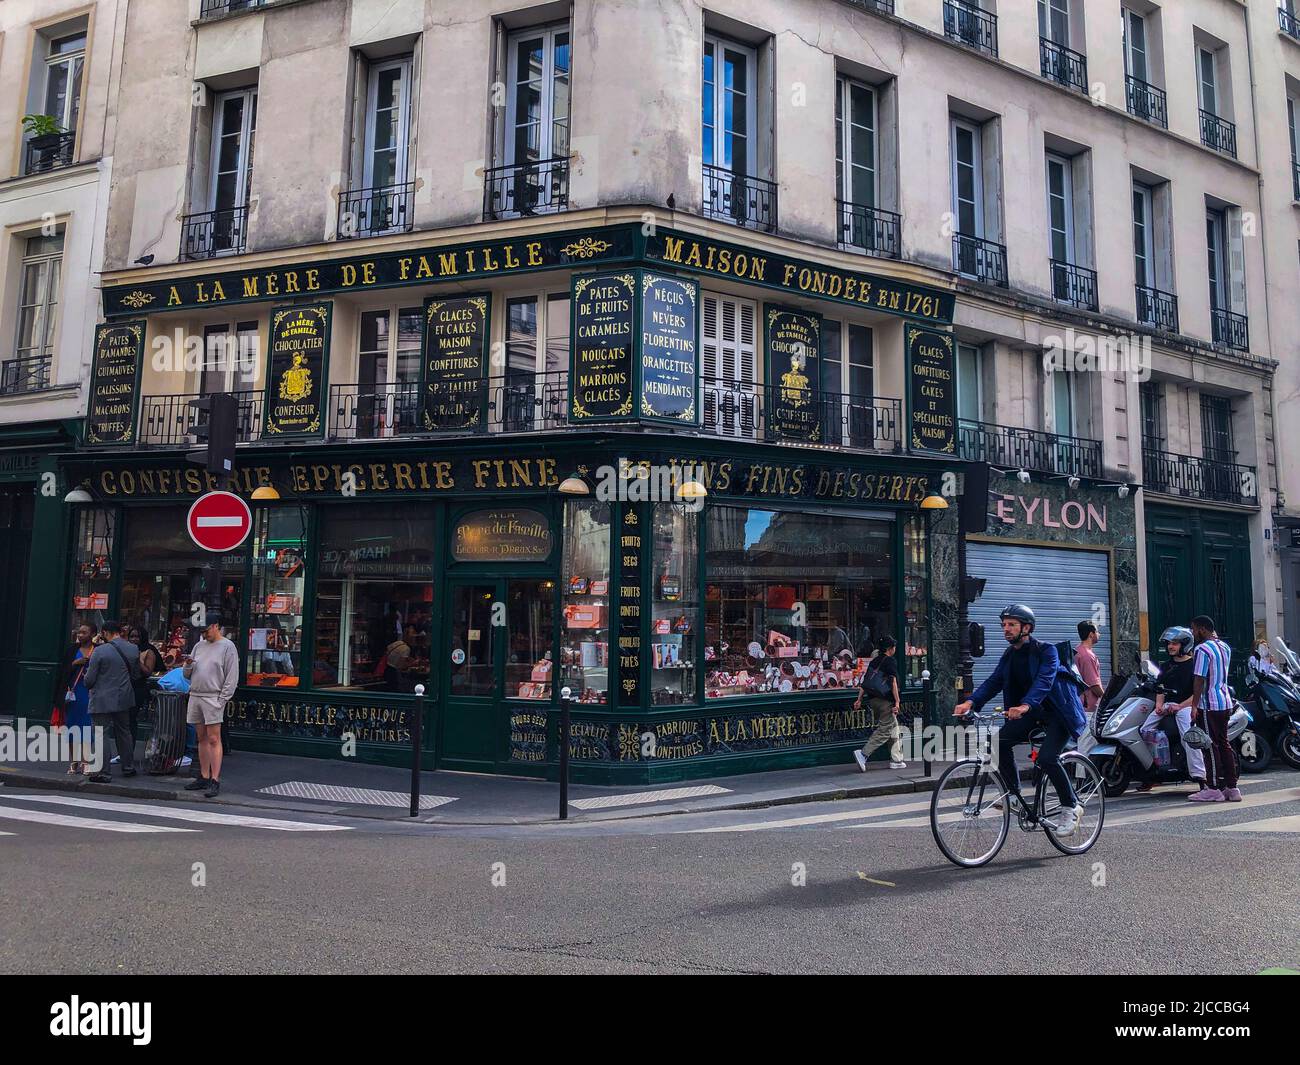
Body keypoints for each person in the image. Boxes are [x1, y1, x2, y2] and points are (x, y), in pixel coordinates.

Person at [955, 604, 1087, 835]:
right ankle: (1013, 795)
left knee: (1047, 758)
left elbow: (1045, 681)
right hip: (1032, 715)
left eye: (1011, 625)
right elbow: (994, 682)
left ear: (1026, 627)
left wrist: (1026, 704)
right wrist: (971, 702)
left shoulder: (1046, 651)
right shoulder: (1010, 655)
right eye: (1004, 625)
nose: (1006, 629)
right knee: (998, 742)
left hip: (1058, 714)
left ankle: (1071, 806)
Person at [1179, 615, 1239, 803]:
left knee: (1209, 745)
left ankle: (1213, 788)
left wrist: (1194, 704)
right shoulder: (1225, 647)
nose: (1193, 633)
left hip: (1209, 704)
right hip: (1225, 702)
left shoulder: (1202, 649)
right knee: (1224, 743)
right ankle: (1232, 787)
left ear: (1202, 629)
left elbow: (1199, 679)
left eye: (1194, 629)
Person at [1137, 626, 1204, 792]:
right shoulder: (1166, 666)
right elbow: (1160, 688)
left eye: (1175, 643)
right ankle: (1153, 773)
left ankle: (1200, 775)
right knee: (1144, 731)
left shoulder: (1194, 665)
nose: (1170, 647)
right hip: (1167, 705)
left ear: (1185, 644)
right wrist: (1159, 705)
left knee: (1188, 736)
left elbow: (1198, 693)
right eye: (1169, 644)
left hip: (1185, 707)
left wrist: (1180, 706)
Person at [183, 617, 240, 798]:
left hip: (212, 696)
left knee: (214, 738)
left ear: (216, 627)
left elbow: (232, 676)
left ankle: (215, 779)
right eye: (202, 632)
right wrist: (188, 665)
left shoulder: (227, 647)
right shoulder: (199, 646)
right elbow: (187, 674)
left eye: (206, 630)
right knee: (201, 737)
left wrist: (222, 699)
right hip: (197, 694)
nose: (204, 634)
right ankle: (204, 775)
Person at [83, 619, 141, 782]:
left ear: (105, 633)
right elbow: (136, 674)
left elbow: (89, 680)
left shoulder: (99, 651)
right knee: (124, 732)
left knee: (101, 734)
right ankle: (128, 767)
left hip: (102, 698)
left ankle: (103, 772)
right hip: (123, 696)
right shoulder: (133, 648)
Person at [853, 635, 905, 771]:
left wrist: (859, 699)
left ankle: (896, 759)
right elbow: (893, 682)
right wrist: (897, 702)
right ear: (890, 648)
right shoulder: (890, 661)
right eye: (893, 646)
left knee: (894, 728)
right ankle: (863, 754)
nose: (895, 648)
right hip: (885, 701)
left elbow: (865, 683)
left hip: (873, 700)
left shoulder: (874, 661)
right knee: (885, 730)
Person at [64, 624, 96, 775]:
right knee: (72, 727)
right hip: (74, 692)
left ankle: (86, 761)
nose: (80, 634)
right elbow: (63, 670)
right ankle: (74, 760)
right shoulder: (72, 649)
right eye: (79, 631)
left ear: (93, 634)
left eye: (84, 632)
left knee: (87, 727)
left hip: (90, 692)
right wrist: (74, 664)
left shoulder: (97, 650)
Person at [1074, 621, 1104, 715]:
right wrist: (1106, 699)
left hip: (1080, 704)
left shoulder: (1078, 650)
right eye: (1097, 632)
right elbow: (1093, 684)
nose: (1099, 634)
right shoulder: (1087, 656)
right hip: (1087, 708)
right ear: (1091, 634)